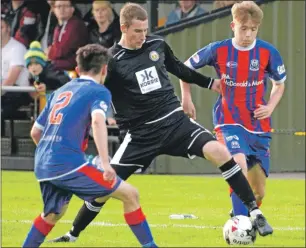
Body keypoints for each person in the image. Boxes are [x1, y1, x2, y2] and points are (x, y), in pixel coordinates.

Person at [50, 3, 273, 243]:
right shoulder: (112, 61)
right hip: (140, 135)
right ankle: (72, 234)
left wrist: (210, 83)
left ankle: (255, 211)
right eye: (137, 31)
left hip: (175, 122)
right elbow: (93, 89)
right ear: (123, 28)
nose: (143, 36)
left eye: (145, 30)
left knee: (219, 152)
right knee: (105, 187)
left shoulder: (157, 45)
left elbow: (179, 68)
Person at [22, 44, 158, 248]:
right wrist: (105, 162)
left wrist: (50, 156)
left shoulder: (60, 91)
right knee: (130, 194)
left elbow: (35, 132)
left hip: (42, 164)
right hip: (67, 164)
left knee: (52, 214)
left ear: (78, 69)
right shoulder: (98, 91)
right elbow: (97, 121)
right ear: (104, 69)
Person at [180, 1, 286, 217]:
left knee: (258, 192)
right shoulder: (218, 49)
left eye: (253, 29)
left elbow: (279, 84)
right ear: (233, 26)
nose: (248, 34)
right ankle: (240, 221)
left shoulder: (268, 52)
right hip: (227, 120)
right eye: (243, 28)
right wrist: (186, 98)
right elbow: (184, 68)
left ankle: (241, 214)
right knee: (238, 163)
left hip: (257, 124)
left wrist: (270, 106)